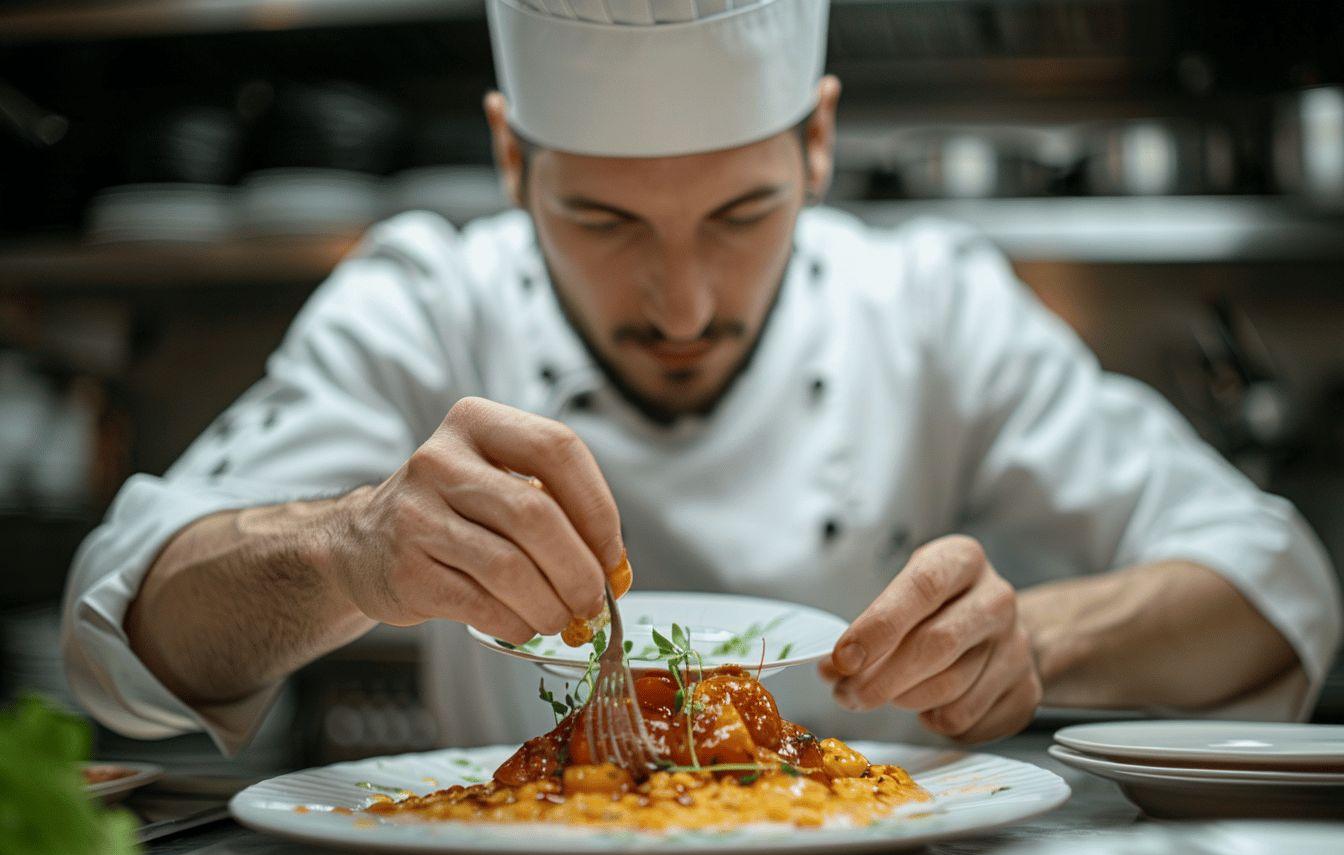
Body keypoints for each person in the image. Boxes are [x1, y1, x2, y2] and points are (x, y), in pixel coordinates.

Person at [62, 0, 1340, 757]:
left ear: (821, 140)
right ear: (513, 161)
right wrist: (351, 549)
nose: (682, 305)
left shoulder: (932, 307)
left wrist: (1032, 642)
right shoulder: (426, 303)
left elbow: (1275, 587)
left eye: (739, 213)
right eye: (607, 223)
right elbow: (127, 630)